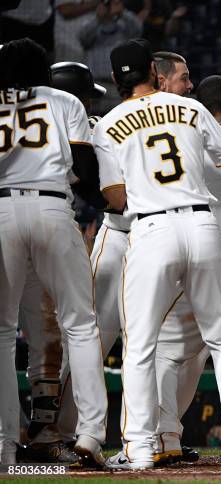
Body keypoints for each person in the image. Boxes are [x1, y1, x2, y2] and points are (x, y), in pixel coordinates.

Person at [93, 38, 221, 470]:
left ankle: (139, 448)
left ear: (115, 79)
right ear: (152, 69)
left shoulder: (108, 123)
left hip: (152, 227)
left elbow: (114, 196)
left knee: (141, 345)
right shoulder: (189, 107)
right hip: (204, 225)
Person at [0, 38, 108, 467]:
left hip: (2, 209)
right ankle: (91, 434)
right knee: (80, 323)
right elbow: (84, 171)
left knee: (4, 334)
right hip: (51, 204)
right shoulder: (64, 100)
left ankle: (5, 446)